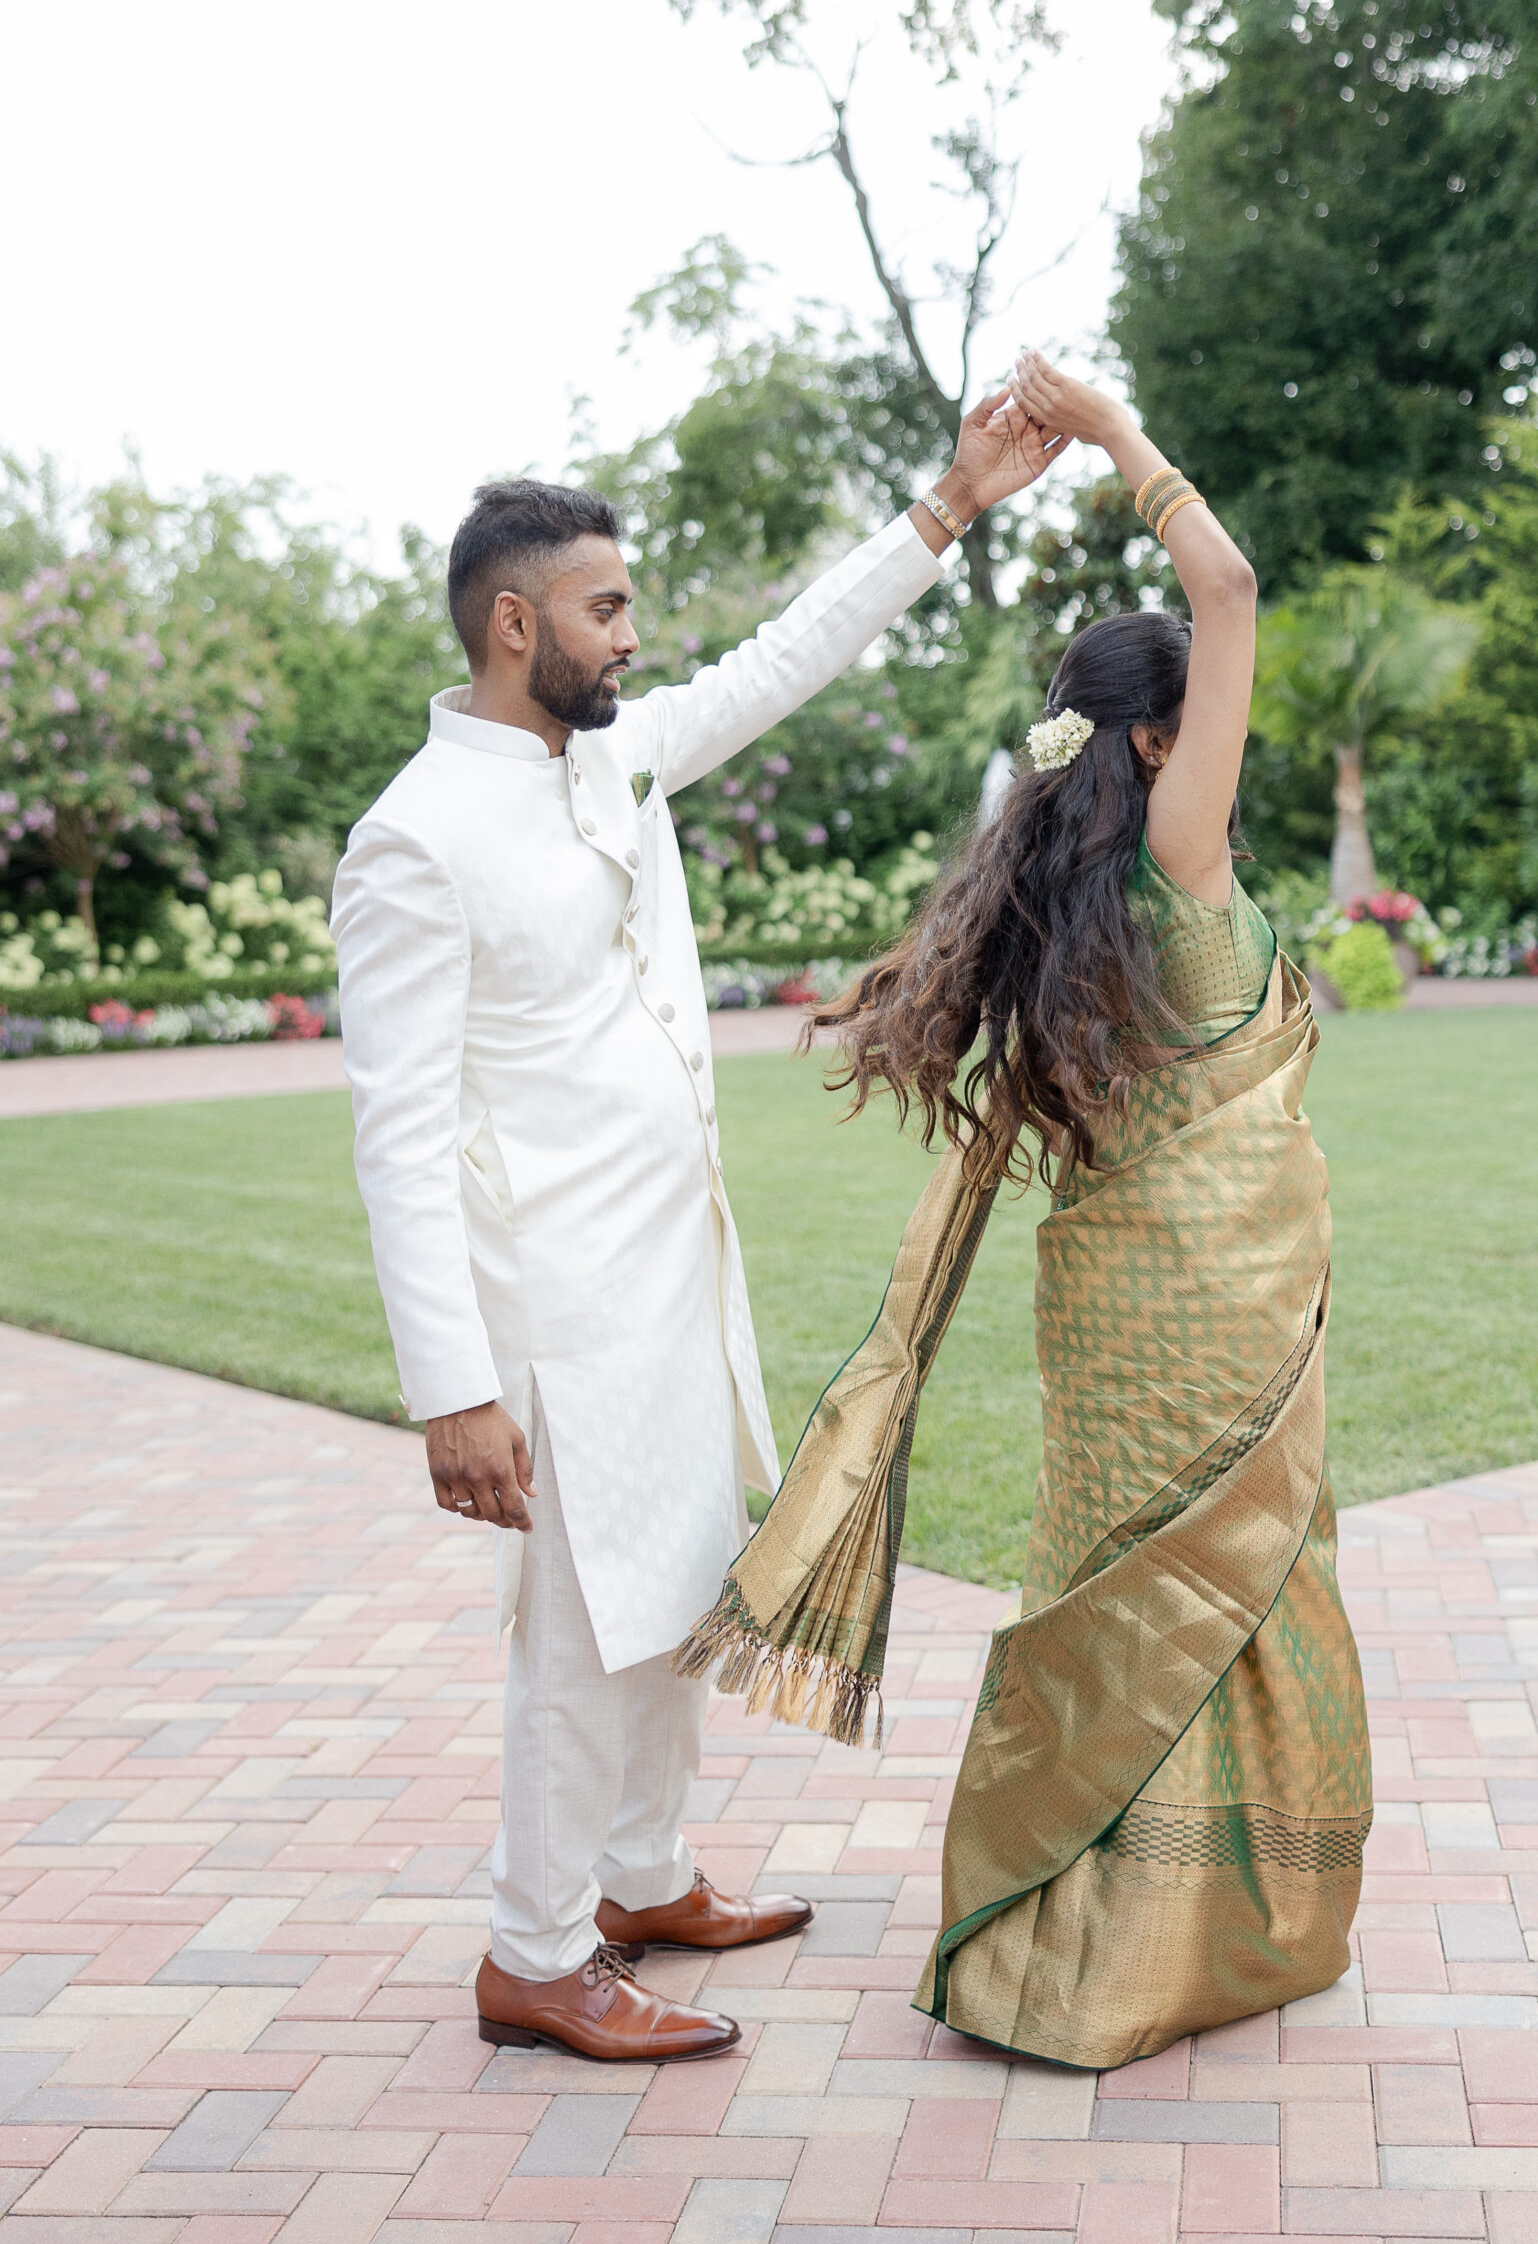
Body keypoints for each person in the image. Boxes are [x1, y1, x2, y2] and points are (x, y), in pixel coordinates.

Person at [328, 395, 1066, 2065]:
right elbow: (397, 1142)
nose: (632, 634)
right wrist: (455, 1390)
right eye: (604, 608)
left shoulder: (615, 754)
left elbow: (784, 660)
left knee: (674, 1588)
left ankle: (646, 1879)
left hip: (675, 1283)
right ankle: (534, 1955)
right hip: (552, 1316)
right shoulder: (414, 841)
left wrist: (951, 503)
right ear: (514, 623)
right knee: (580, 1637)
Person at [679, 350, 1372, 2070]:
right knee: (1229, 1592)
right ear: (1157, 736)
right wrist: (1117, 430)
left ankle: (1066, 1947)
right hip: (1217, 1313)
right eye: (1206, 716)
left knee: (1115, 1586)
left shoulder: (1082, 892)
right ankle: (1181, 1945)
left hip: (1124, 1309)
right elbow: (1230, 586)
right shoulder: (1180, 858)